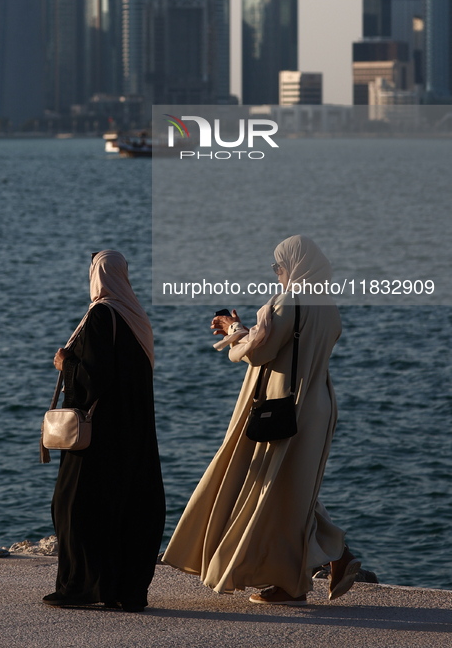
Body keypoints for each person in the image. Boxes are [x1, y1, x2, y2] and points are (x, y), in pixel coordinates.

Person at [162, 235, 360, 605]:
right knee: (292, 487)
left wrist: (233, 331)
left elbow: (259, 350)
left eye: (279, 265)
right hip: (319, 404)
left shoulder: (289, 301)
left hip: (285, 403)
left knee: (272, 487)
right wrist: (247, 331)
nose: (278, 272)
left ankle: (290, 585)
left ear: (296, 264)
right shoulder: (327, 303)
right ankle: (338, 556)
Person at [43, 250, 165, 612]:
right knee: (126, 509)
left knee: (73, 505)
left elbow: (92, 379)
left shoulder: (100, 315)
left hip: (98, 438)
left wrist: (66, 363)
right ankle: (123, 590)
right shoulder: (137, 318)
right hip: (134, 435)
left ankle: (79, 588)